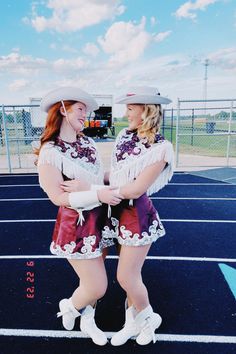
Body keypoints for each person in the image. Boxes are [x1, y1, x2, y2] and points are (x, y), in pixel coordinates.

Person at [35, 87, 122, 346]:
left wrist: (128, 179)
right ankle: (70, 306)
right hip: (76, 224)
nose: (87, 114)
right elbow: (56, 197)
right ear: (63, 109)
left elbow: (97, 179)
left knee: (91, 279)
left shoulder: (88, 143)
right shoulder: (50, 151)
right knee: (96, 286)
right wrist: (97, 194)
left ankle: (88, 318)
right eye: (81, 109)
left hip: (100, 219)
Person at [105, 86, 174, 346]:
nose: (126, 114)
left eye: (130, 109)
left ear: (146, 110)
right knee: (133, 277)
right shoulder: (123, 135)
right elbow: (116, 175)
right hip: (116, 213)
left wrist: (98, 191)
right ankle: (131, 324)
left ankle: (148, 318)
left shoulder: (161, 147)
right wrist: (85, 181)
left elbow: (136, 188)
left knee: (126, 276)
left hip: (137, 216)